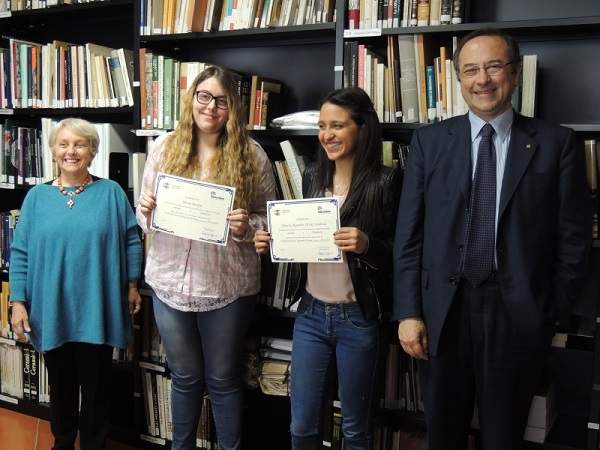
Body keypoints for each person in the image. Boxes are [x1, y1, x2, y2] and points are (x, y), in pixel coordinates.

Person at [393, 28, 592, 450]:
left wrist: (547, 311)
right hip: (442, 315)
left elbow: (573, 240)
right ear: (459, 80)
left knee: (504, 436)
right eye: (470, 70)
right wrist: (408, 312)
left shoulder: (557, 145)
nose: (482, 79)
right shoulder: (429, 143)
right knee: (442, 435)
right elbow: (408, 236)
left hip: (515, 313)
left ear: (515, 74)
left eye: (493, 66)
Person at [136, 65, 276, 450]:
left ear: (233, 108)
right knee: (183, 376)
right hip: (169, 282)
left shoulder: (252, 155)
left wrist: (246, 225)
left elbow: (270, 222)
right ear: (192, 99)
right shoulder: (165, 147)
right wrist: (145, 209)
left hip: (227, 286)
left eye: (221, 100)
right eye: (204, 96)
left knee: (222, 378)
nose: (211, 107)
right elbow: (143, 217)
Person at [255, 87, 402, 450]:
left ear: (362, 128)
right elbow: (305, 238)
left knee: (355, 428)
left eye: (338, 125)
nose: (327, 135)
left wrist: (367, 245)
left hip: (358, 317)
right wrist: (276, 240)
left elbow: (402, 254)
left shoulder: (387, 181)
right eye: (322, 126)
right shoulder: (311, 176)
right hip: (311, 314)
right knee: (302, 425)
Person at [9, 118, 143, 450]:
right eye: (64, 144)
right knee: (61, 386)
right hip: (50, 309)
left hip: (98, 307)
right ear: (53, 151)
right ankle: (63, 442)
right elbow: (21, 251)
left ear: (92, 151)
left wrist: (131, 284)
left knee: (97, 388)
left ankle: (95, 444)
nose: (72, 151)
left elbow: (132, 240)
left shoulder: (111, 193)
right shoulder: (37, 198)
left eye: (80, 144)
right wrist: (18, 301)